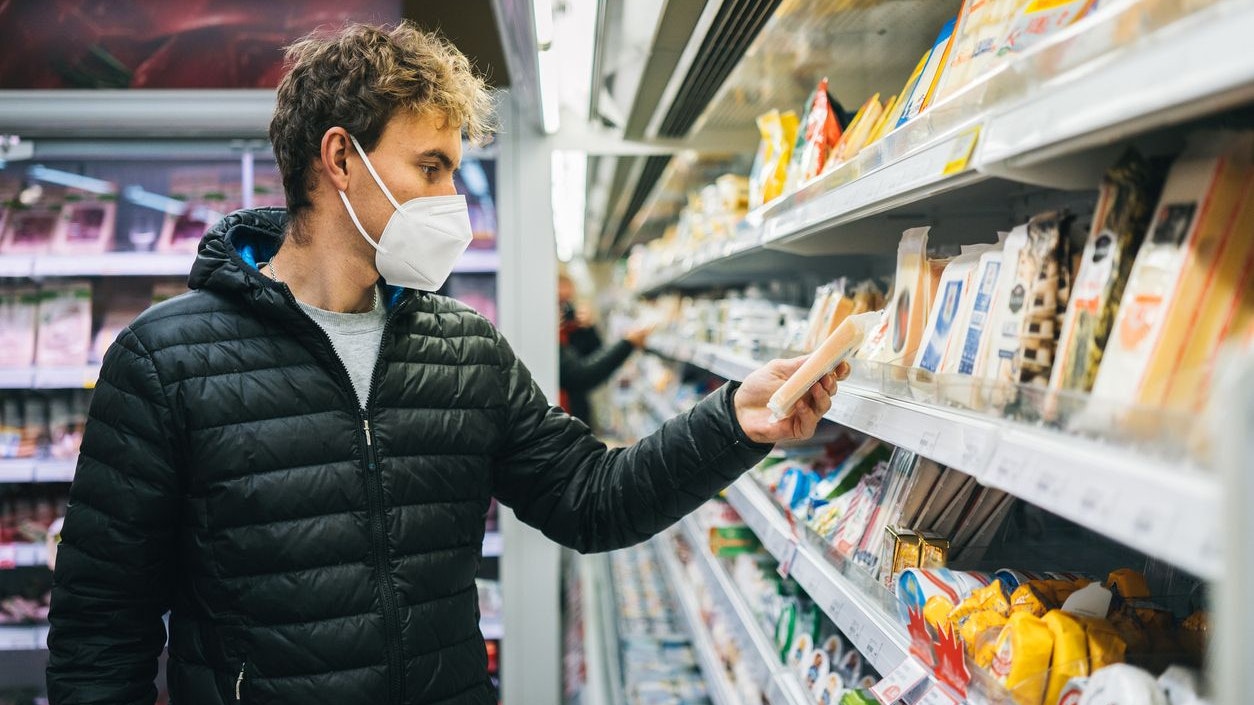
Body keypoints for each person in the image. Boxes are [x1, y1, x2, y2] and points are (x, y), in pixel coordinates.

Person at [45, 21, 849, 705]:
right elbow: (100, 627)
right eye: (431, 166)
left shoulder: (464, 347)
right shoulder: (164, 360)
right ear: (340, 158)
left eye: (454, 170)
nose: (451, 196)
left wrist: (734, 421)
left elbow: (591, 499)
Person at [557, 272, 651, 425]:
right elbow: (581, 375)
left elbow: (596, 356)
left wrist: (589, 328)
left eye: (567, 302)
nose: (564, 310)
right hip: (561, 415)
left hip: (576, 411)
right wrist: (627, 343)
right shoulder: (548, 338)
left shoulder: (574, 330)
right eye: (559, 302)